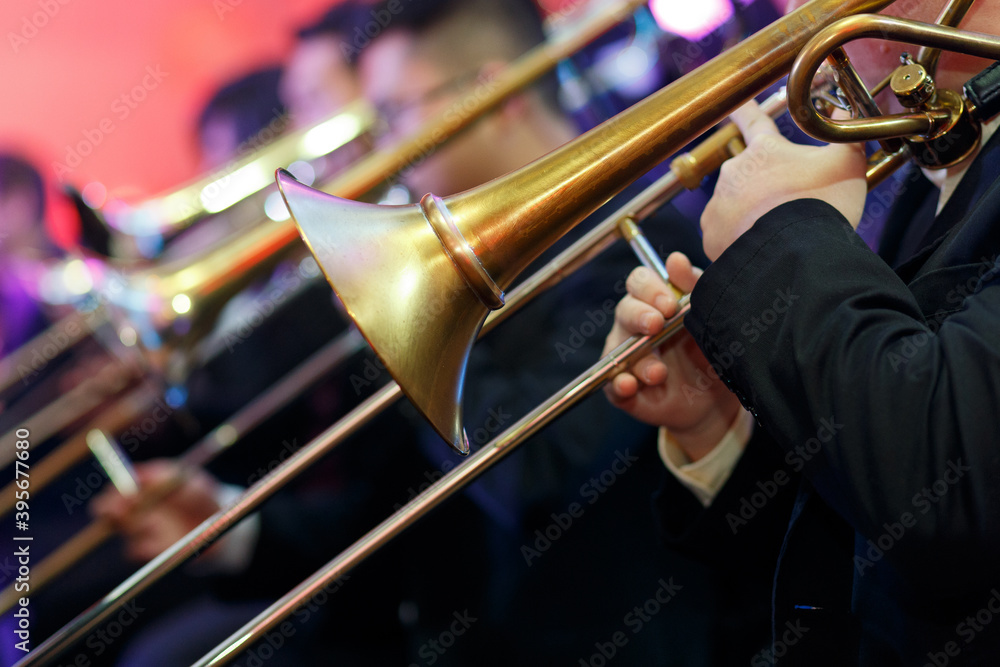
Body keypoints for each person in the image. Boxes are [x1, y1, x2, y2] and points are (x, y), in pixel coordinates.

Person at [603, 0, 1000, 664]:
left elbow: (952, 488)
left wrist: (779, 235)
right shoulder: (920, 163)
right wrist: (722, 427)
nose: (795, 15)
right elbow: (848, 545)